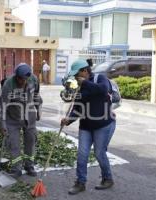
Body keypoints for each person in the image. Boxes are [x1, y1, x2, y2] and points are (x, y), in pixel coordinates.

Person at [61, 59, 116, 195]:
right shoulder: (80, 87)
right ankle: (80, 183)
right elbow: (78, 108)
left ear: (85, 71)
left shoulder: (100, 79)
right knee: (82, 154)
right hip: (86, 126)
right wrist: (69, 120)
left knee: (99, 153)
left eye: (77, 74)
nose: (75, 77)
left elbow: (103, 90)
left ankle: (107, 178)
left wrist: (85, 82)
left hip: (103, 125)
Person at [0, 63, 43, 178]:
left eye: (24, 79)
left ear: (28, 77)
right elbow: (1, 107)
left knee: (31, 141)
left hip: (29, 117)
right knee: (13, 144)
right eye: (19, 79)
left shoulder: (34, 80)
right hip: (13, 118)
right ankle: (16, 168)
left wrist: (38, 109)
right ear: (16, 76)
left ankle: (29, 165)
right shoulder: (8, 85)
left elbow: (36, 95)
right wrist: (2, 125)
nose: (21, 81)